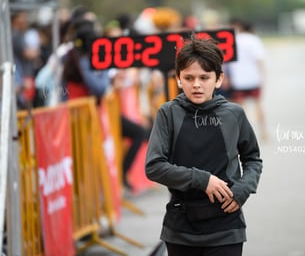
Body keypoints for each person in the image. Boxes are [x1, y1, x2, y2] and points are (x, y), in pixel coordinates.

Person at [145, 37, 263, 256]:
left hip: (227, 225)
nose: (196, 84)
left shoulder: (234, 113)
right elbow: (154, 166)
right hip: (180, 226)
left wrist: (244, 189)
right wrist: (202, 180)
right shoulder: (168, 113)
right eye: (188, 77)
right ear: (179, 79)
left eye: (204, 77)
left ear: (218, 79)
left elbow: (253, 158)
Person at [62, 19, 149, 190]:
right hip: (81, 115)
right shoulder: (79, 58)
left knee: (138, 133)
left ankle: (117, 179)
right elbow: (99, 87)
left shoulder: (83, 57)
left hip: (96, 113)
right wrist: (109, 80)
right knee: (83, 157)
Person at [225, 18, 267, 140]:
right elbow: (260, 60)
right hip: (254, 79)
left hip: (238, 80)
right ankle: (264, 132)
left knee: (241, 109)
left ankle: (244, 135)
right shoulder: (253, 39)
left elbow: (227, 62)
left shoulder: (233, 40)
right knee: (258, 105)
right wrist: (262, 77)